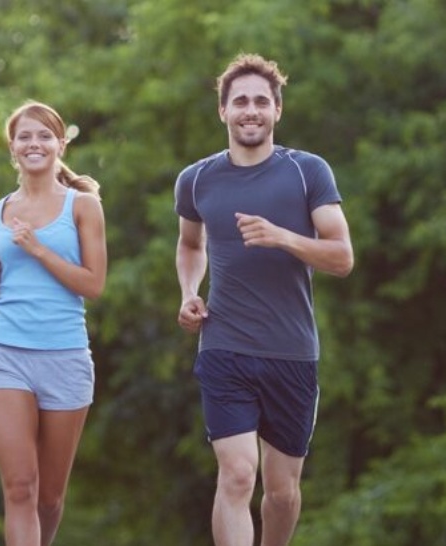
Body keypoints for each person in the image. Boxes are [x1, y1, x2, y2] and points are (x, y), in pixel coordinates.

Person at [174, 53, 354, 546]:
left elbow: (341, 257)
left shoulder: (307, 173)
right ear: (223, 112)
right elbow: (191, 245)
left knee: (281, 493)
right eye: (239, 102)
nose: (249, 111)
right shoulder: (196, 180)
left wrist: (283, 237)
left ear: (277, 109)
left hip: (292, 353)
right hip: (224, 346)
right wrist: (190, 293)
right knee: (236, 476)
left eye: (260, 101)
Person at [0, 101, 107, 546]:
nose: (35, 144)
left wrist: (39, 250)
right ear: (12, 147)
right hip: (6, 354)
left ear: (60, 144)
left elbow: (93, 284)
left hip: (65, 357)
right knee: (20, 488)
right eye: (25, 136)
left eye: (44, 135)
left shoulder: (83, 207)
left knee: (49, 499)